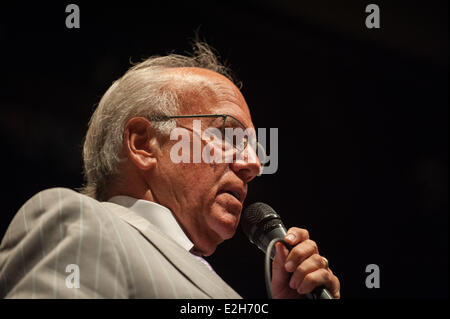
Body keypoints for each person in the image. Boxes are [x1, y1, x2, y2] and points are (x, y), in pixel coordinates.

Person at [0, 42, 340, 299]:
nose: (253, 164)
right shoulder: (79, 225)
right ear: (144, 143)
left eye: (253, 146)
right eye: (226, 135)